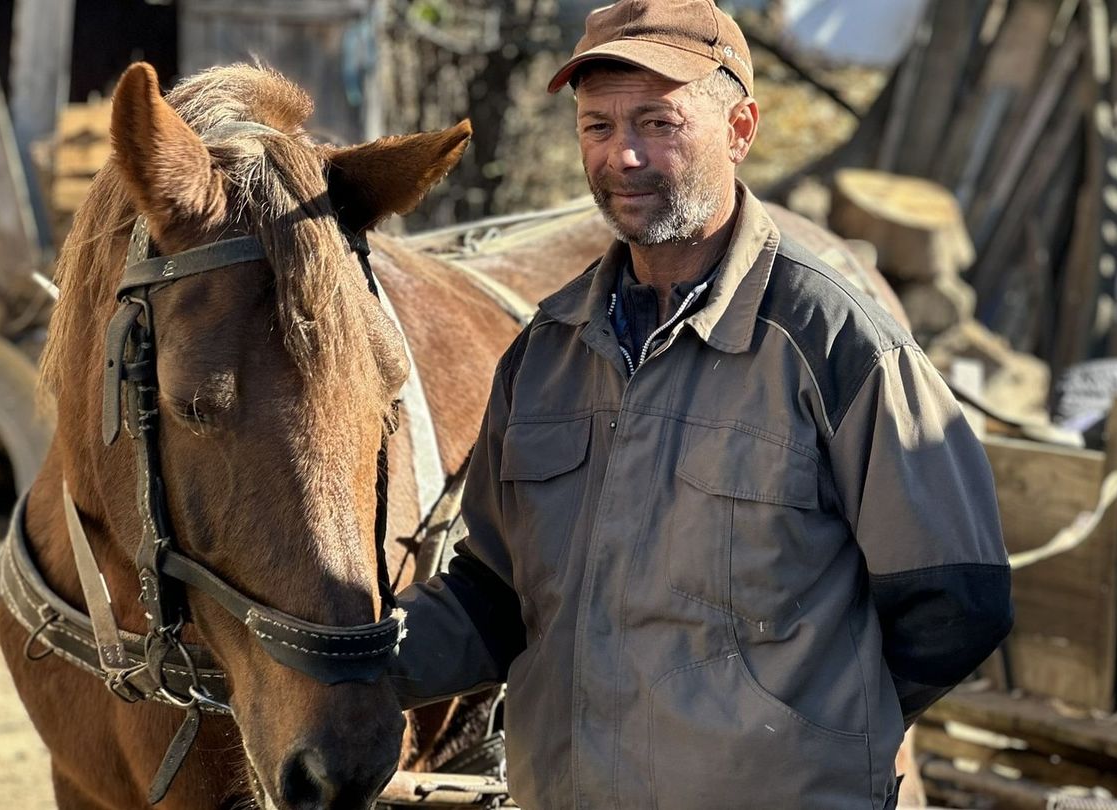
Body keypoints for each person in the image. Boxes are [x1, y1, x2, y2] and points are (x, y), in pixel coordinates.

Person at [393, 1, 1013, 807]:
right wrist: (347, 657)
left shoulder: (835, 346)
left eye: (659, 121)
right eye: (597, 126)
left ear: (741, 128)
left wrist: (803, 736)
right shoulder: (545, 355)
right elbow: (496, 596)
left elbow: (957, 599)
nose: (624, 154)